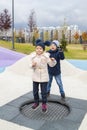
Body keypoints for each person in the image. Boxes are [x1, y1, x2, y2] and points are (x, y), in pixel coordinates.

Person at [29, 39, 56, 112]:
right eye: (37, 48)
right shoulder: (33, 56)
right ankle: (36, 102)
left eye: (40, 48)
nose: (38, 50)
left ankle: (44, 104)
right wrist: (32, 65)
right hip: (35, 76)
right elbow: (30, 66)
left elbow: (51, 64)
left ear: (43, 50)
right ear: (35, 49)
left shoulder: (46, 56)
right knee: (35, 91)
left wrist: (53, 61)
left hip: (44, 76)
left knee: (44, 92)